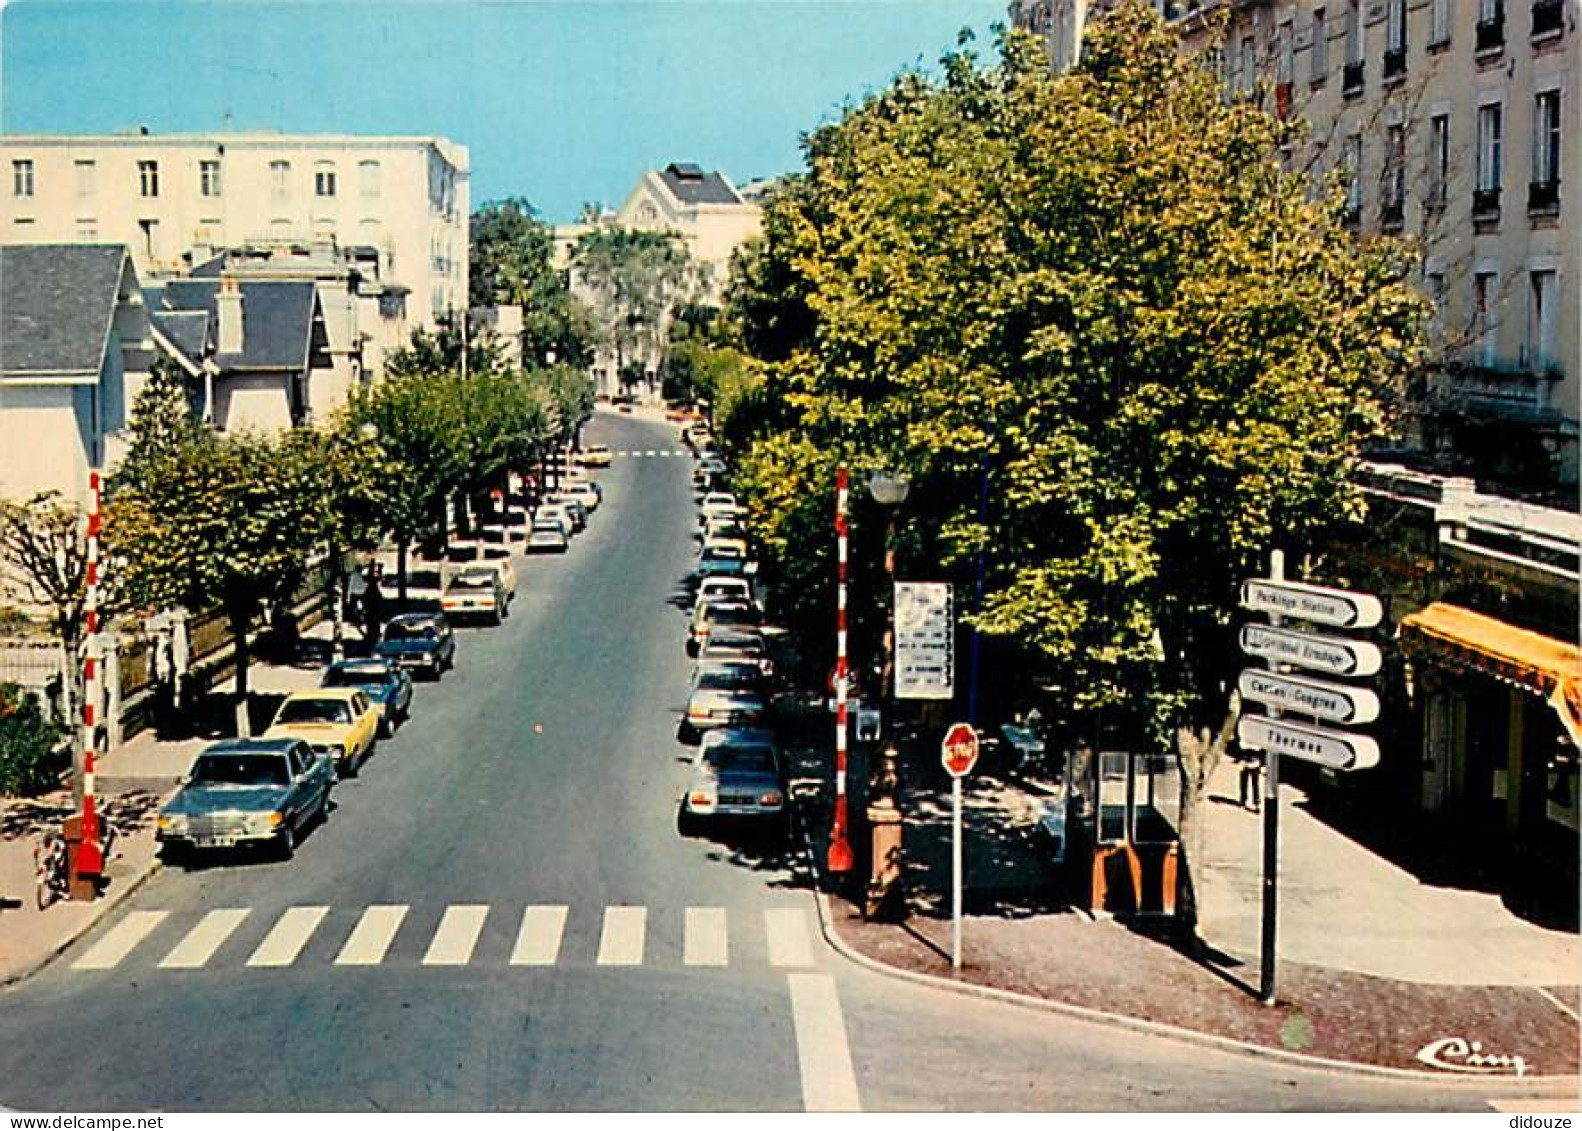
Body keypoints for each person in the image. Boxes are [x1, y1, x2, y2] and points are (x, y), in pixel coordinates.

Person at [1238, 747, 1263, 813]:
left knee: (1245, 783)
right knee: (1254, 784)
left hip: (1249, 761)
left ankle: (1244, 801)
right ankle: (1254, 803)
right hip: (1252, 761)